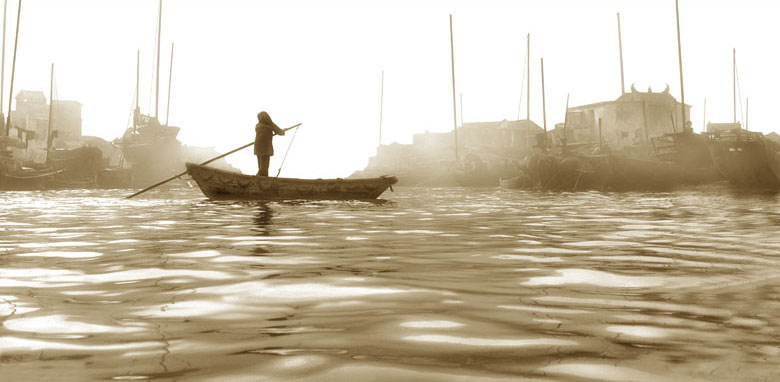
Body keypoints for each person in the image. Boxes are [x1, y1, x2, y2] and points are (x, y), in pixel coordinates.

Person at [254, 111, 285, 176]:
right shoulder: (270, 124)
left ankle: (260, 177)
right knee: (264, 167)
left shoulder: (257, 126)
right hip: (265, 148)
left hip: (258, 147)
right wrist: (283, 131)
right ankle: (261, 178)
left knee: (261, 166)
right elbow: (279, 131)